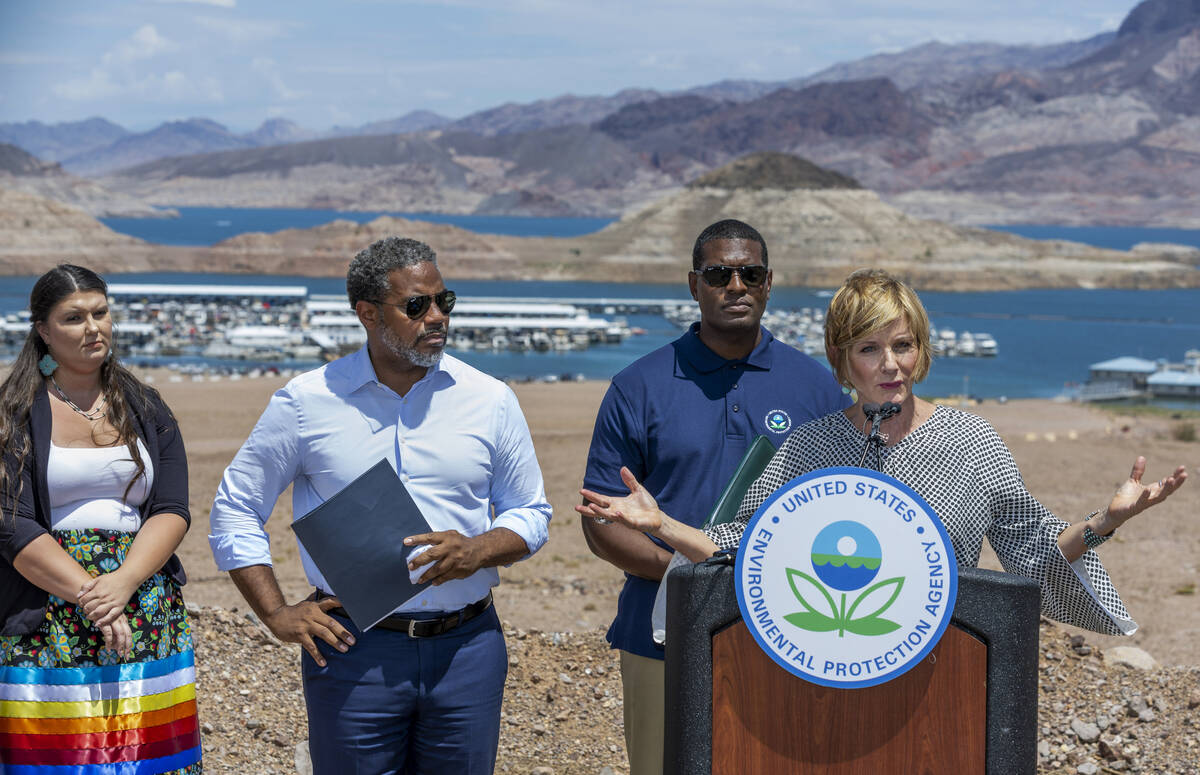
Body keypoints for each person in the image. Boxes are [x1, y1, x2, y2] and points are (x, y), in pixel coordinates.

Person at [579, 268, 1188, 636]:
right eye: (869, 348)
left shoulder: (970, 441)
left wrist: (1105, 522)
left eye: (902, 344)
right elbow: (741, 547)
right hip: (823, 669)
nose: (890, 364)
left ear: (921, 350)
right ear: (842, 360)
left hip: (940, 666)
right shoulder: (810, 446)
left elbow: (1030, 556)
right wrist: (661, 525)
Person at [208, 237, 552, 774]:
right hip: (352, 652)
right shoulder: (306, 401)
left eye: (445, 301)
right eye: (417, 306)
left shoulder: (490, 399)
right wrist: (274, 612)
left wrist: (477, 550)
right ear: (367, 314)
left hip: (468, 649)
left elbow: (531, 512)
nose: (437, 317)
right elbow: (235, 507)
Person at [577, 219, 850, 775]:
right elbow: (601, 522)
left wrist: (761, 587)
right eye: (719, 274)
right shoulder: (639, 385)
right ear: (693, 284)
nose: (735, 285)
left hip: (787, 628)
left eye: (749, 273)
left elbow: (842, 510)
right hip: (659, 627)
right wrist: (687, 574)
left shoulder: (816, 388)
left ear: (769, 283)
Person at [0, 265, 200, 772]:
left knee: (148, 756)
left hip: (143, 602)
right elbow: (12, 523)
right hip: (46, 606)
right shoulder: (14, 412)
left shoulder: (148, 407)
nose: (93, 327)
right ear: (43, 331)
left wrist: (123, 585)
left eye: (100, 313)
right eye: (73, 317)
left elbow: (172, 509)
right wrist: (94, 596)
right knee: (58, 759)